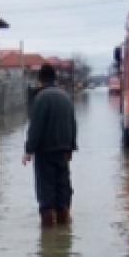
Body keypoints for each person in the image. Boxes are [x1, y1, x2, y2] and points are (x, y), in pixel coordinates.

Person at [23, 63, 77, 227]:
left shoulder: (41, 98)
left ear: (41, 80)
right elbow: (73, 124)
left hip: (45, 152)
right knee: (62, 191)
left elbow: (36, 127)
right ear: (55, 78)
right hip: (64, 152)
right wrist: (71, 147)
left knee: (46, 194)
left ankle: (48, 238)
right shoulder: (66, 96)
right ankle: (64, 230)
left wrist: (28, 150)